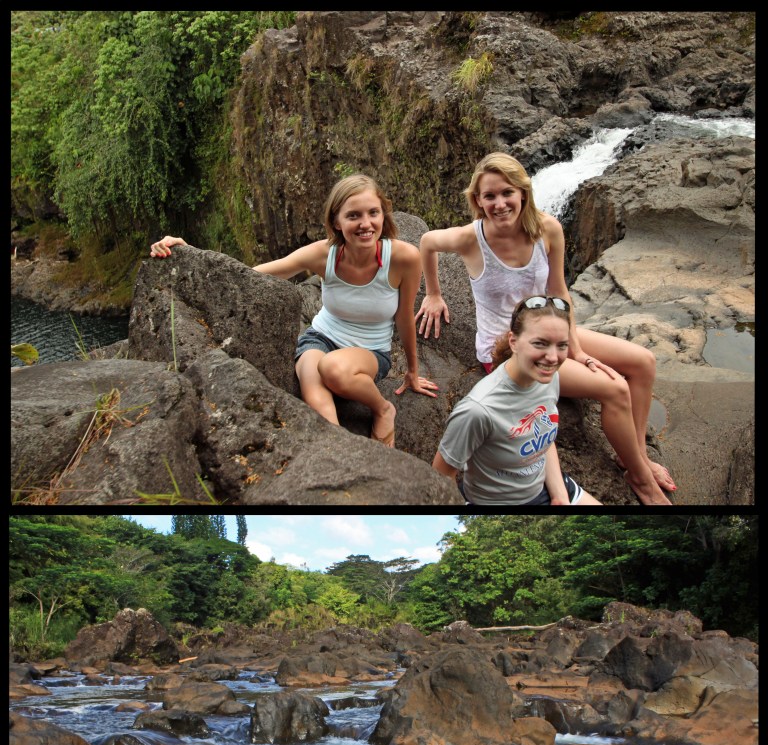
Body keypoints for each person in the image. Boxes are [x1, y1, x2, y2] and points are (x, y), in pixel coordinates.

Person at [416, 152, 675, 505]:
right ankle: (641, 478)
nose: (499, 203)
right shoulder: (470, 239)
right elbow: (427, 241)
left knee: (643, 361)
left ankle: (637, 455)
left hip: (551, 329)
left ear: (523, 192)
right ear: (477, 200)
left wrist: (578, 350)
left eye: (507, 192)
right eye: (489, 196)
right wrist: (433, 293)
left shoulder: (547, 228)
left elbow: (558, 291)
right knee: (615, 390)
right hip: (510, 347)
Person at [150, 174, 438, 447]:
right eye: (353, 215)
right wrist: (192, 255)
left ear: (383, 216)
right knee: (315, 393)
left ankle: (383, 408)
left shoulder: (403, 257)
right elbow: (252, 274)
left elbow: (403, 317)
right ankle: (342, 450)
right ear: (336, 221)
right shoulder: (323, 255)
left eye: (373, 213)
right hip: (321, 338)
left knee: (333, 370)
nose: (365, 223)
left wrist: (412, 372)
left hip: (370, 352)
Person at [433, 295, 602, 505]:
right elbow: (440, 477)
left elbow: (543, 438)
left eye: (562, 345)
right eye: (540, 343)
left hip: (545, 487)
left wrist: (559, 495)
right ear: (513, 341)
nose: (552, 357)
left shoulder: (548, 378)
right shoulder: (478, 410)